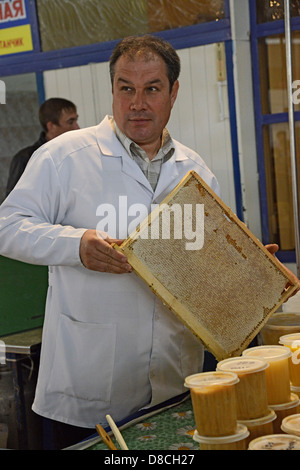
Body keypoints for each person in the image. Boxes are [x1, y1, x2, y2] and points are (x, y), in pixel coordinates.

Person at [0, 35, 298, 450]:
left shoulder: (193, 171)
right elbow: (7, 225)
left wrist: (244, 272)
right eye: (126, 88)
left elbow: (199, 264)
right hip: (87, 393)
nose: (137, 102)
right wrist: (75, 244)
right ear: (113, 91)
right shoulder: (64, 157)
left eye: (152, 89)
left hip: (177, 382)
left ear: (173, 93)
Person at [5, 97, 79, 196]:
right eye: (70, 122)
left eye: (76, 121)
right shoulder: (26, 159)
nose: (77, 127)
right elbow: (14, 203)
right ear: (51, 126)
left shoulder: (76, 153)